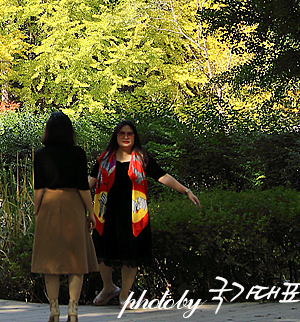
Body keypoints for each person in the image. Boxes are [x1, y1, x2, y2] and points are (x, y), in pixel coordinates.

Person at [89, 119, 201, 306]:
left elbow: (163, 176)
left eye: (129, 134)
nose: (125, 137)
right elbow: (91, 181)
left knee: (130, 255)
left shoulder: (142, 158)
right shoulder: (104, 158)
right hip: (106, 214)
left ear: (135, 137)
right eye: (122, 133)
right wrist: (71, 194)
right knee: (102, 252)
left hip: (134, 215)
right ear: (116, 136)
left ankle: (124, 294)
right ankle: (108, 288)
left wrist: (186, 190)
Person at [32, 111, 98, 322]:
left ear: (49, 131)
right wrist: (91, 212)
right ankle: (73, 308)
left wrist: (37, 211)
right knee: (76, 259)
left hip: (49, 204)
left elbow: (38, 188)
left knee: (49, 261)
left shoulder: (40, 154)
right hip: (73, 205)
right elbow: (82, 186)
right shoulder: (78, 153)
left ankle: (53, 308)